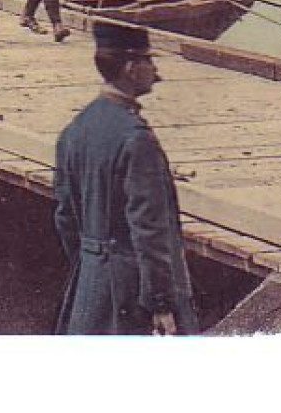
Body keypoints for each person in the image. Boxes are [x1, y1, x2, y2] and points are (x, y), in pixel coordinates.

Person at [53, 22, 197, 335]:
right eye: (149, 61)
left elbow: (65, 216)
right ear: (131, 68)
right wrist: (161, 302)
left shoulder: (75, 129)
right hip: (133, 293)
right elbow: (150, 228)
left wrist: (92, 265)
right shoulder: (137, 139)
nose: (156, 71)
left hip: (90, 285)